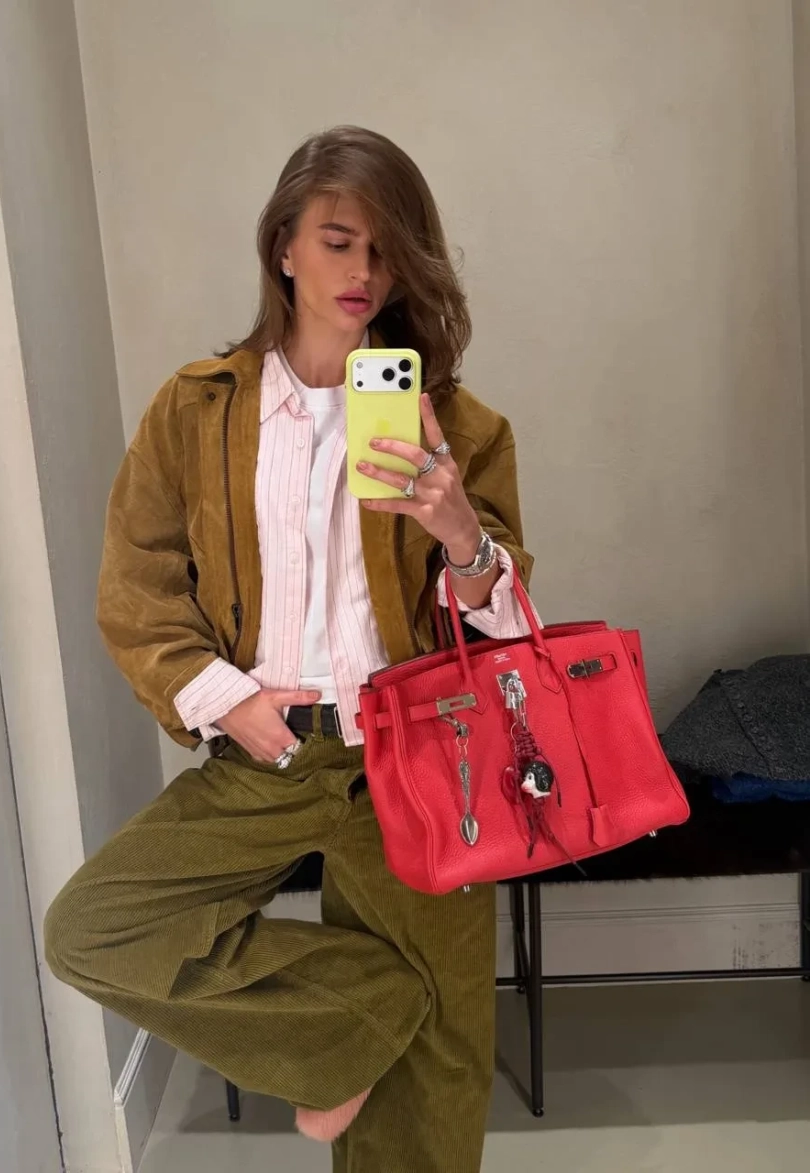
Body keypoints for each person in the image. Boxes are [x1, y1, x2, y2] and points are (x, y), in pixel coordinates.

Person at [45, 125, 534, 1173]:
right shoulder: (197, 410)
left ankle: (393, 1025)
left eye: (386, 251)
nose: (363, 272)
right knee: (93, 929)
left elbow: (500, 625)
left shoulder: (454, 423)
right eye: (339, 241)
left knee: (441, 1065)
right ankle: (357, 1019)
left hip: (415, 755)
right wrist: (223, 697)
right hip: (267, 750)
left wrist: (461, 537)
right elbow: (138, 584)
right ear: (284, 248)